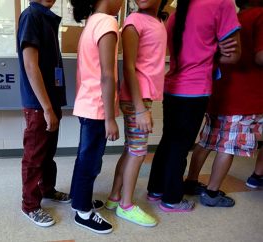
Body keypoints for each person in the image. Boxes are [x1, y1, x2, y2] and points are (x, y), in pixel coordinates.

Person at [147, 0, 241, 212]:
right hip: (195, 89)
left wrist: (211, 47)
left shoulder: (176, 11)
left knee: (169, 141)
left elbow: (188, 47)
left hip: (172, 87)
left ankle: (156, 190)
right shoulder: (221, 3)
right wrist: (216, 50)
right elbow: (233, 56)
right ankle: (172, 199)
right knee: (180, 145)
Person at [184, 0, 263, 206]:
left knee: (207, 140)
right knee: (229, 145)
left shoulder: (233, 18)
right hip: (245, 95)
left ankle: (191, 181)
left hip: (220, 90)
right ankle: (211, 193)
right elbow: (260, 56)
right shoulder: (261, 16)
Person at [105, 0, 168, 227]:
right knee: (139, 153)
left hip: (143, 97)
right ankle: (126, 205)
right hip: (136, 99)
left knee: (131, 150)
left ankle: (114, 198)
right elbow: (128, 67)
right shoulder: (133, 21)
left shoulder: (159, 21)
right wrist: (141, 108)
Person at [69, 0, 122, 234]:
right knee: (90, 161)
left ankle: (79, 199)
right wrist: (110, 118)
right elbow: (107, 76)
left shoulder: (92, 22)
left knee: (85, 157)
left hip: (87, 104)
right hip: (97, 108)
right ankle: (83, 211)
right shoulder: (107, 22)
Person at [17, 0, 71, 227]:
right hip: (40, 104)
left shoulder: (46, 17)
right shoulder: (31, 16)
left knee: (47, 153)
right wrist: (47, 109)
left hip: (50, 101)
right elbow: (31, 66)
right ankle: (29, 205)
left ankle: (47, 190)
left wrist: (52, 106)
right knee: (34, 157)